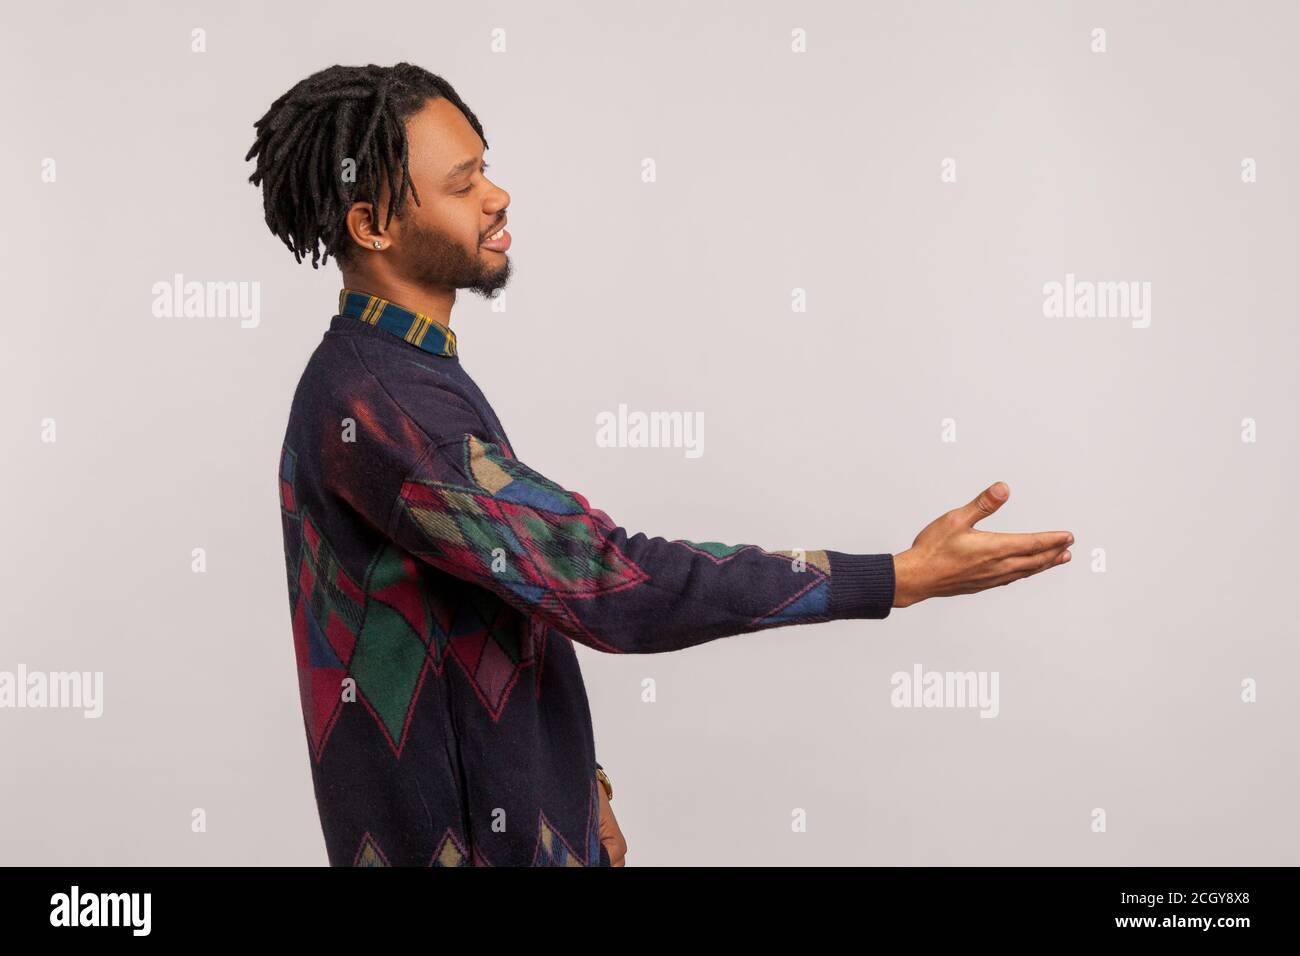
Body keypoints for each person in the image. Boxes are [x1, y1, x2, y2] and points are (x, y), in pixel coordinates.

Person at [248, 63, 1073, 868]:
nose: (496, 197)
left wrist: (582, 785)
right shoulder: (385, 407)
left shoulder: (398, 371)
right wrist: (895, 576)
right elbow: (606, 580)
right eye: (462, 184)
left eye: (486, 169)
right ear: (372, 226)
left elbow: (512, 590)